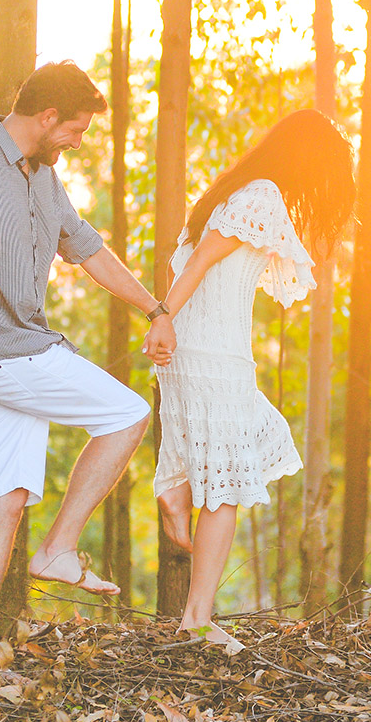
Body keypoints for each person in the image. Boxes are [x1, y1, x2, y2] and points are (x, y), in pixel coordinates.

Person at [0, 61, 177, 671]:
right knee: (128, 414)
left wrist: (155, 308)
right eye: (75, 130)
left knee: (6, 498)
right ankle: (58, 549)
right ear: (48, 117)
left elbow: (90, 252)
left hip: (12, 356)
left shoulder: (45, 180)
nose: (78, 142)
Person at [144, 108, 356, 650]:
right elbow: (196, 266)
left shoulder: (239, 193)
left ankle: (179, 488)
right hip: (211, 352)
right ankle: (197, 616)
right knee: (231, 480)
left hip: (204, 347)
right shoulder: (261, 195)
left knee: (248, 448)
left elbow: (198, 261)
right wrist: (161, 318)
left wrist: (169, 324)